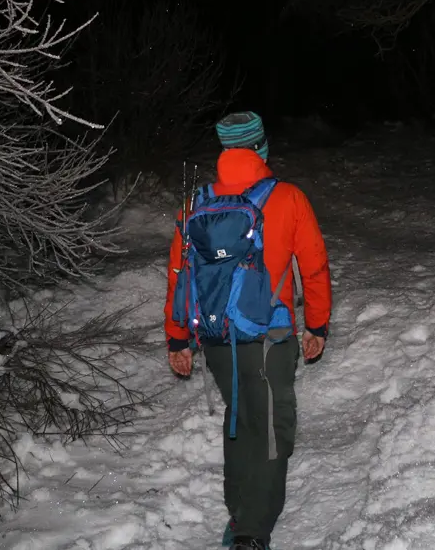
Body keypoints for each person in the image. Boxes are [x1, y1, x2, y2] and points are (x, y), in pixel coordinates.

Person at [163, 111, 332, 550]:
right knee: (273, 428)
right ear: (260, 148)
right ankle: (252, 532)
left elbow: (179, 275)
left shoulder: (195, 203)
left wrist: (177, 337)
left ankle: (239, 511)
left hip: (216, 337)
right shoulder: (288, 198)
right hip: (270, 337)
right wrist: (317, 324)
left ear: (225, 151)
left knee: (240, 415)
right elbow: (313, 267)